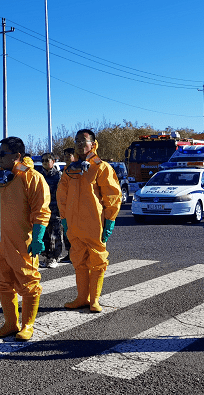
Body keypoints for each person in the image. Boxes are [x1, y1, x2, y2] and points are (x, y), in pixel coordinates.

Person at [0, 136, 51, 341]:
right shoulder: (0, 179)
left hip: (22, 241)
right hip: (0, 242)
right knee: (3, 282)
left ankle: (28, 325)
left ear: (17, 155)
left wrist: (38, 236)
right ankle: (10, 323)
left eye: (2, 154)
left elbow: (41, 210)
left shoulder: (32, 178)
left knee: (28, 282)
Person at [57, 129, 122, 313]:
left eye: (83, 141)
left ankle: (94, 300)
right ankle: (81, 297)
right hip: (74, 224)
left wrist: (110, 220)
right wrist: (64, 218)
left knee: (97, 260)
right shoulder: (70, 169)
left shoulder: (101, 167)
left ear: (93, 144)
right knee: (78, 260)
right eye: (76, 140)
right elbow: (62, 195)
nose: (79, 144)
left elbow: (112, 195)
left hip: (94, 223)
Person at [37, 152, 64, 269]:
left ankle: (54, 257)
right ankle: (47, 257)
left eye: (47, 160)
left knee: (55, 235)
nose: (44, 162)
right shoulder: (38, 176)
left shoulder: (59, 176)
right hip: (43, 210)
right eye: (43, 160)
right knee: (45, 236)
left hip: (55, 210)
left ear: (53, 162)